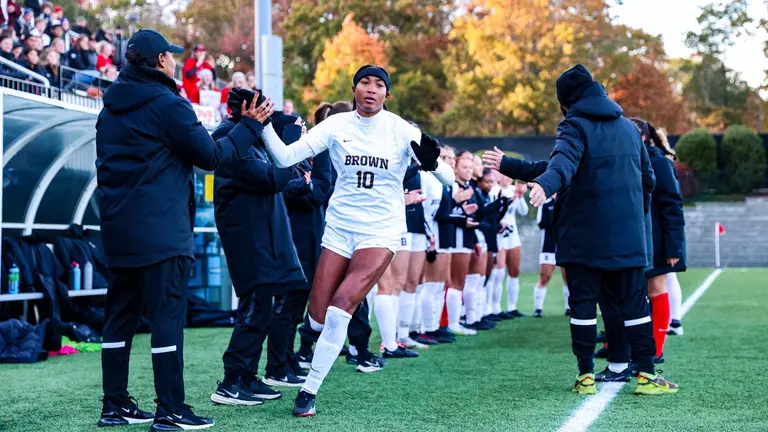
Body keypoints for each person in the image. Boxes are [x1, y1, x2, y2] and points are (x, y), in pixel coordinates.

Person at [95, 29, 271, 431]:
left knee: (119, 320)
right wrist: (248, 127)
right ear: (160, 60)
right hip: (162, 233)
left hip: (119, 232)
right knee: (167, 322)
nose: (175, 61)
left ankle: (114, 405)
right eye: (171, 55)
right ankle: (171, 410)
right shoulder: (168, 103)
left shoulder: (109, 109)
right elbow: (212, 156)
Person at [256, 64, 454, 416]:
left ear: (387, 94)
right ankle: (315, 337)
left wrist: (434, 163)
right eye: (365, 82)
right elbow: (285, 157)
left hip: (381, 230)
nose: (371, 89)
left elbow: (449, 178)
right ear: (354, 89)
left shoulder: (401, 129)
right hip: (339, 228)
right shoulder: (336, 125)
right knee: (318, 316)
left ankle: (309, 390)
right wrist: (263, 125)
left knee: (342, 305)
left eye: (379, 84)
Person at [483, 64, 678, 395]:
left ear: (566, 102)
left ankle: (585, 376)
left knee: (584, 305)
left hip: (584, 237)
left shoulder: (574, 125)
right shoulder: (629, 129)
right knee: (634, 305)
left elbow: (561, 165)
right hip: (628, 236)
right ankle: (646, 374)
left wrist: (546, 185)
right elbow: (648, 180)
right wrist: (634, 215)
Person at [209, 88, 309, 406]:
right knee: (254, 308)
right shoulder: (229, 136)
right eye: (263, 107)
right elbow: (271, 179)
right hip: (247, 238)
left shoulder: (254, 139)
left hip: (263, 237)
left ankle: (248, 376)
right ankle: (231, 382)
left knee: (262, 307)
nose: (268, 114)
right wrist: (290, 144)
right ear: (247, 108)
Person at [490, 175, 528, 319]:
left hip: (513, 235)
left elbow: (523, 211)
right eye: (503, 175)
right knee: (498, 272)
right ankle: (495, 308)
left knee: (514, 271)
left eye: (508, 176)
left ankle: (512, 307)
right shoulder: (494, 190)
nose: (507, 178)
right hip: (499, 235)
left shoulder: (513, 189)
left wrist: (520, 196)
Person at [534, 194, 569, 316]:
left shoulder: (567, 202)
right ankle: (538, 309)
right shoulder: (545, 204)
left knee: (568, 277)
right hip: (548, 247)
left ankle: (569, 308)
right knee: (545, 277)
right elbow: (541, 223)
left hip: (565, 246)